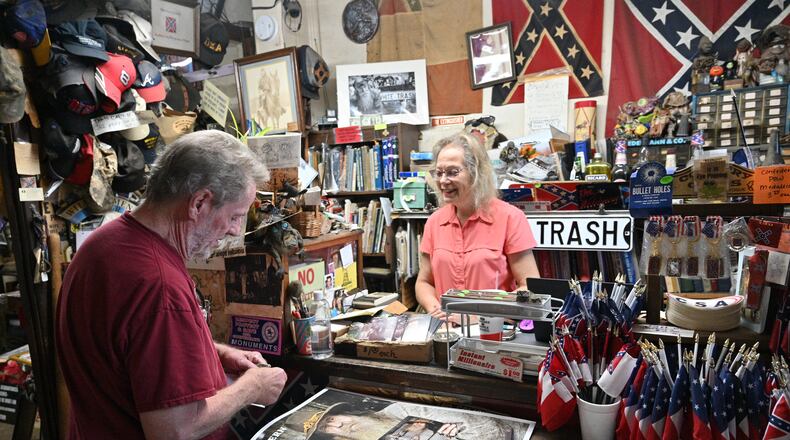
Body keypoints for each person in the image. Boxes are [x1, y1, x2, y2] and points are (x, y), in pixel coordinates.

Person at [56, 130, 288, 439]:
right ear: (199, 203)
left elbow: (129, 348)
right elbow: (175, 430)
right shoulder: (159, 285)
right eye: (235, 216)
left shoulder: (102, 244)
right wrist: (252, 387)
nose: (234, 231)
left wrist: (212, 352)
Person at [415, 133, 540, 322]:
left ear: (476, 172)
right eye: (438, 173)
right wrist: (436, 311)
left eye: (452, 172)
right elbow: (424, 282)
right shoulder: (434, 222)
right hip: (446, 331)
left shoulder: (510, 218)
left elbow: (530, 287)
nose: (442, 181)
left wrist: (477, 316)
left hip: (494, 331)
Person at [302, 401, 519, 439]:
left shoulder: (398, 410)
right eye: (327, 428)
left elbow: (487, 428)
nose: (337, 425)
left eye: (332, 418)